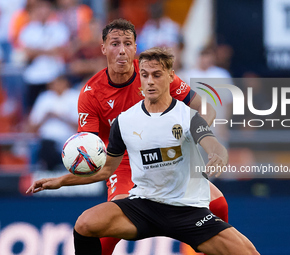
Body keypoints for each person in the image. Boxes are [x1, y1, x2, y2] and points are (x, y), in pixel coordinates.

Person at [26, 47, 259, 255]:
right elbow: (105, 170)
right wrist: (60, 181)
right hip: (145, 205)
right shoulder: (125, 122)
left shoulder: (187, 116)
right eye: (145, 75)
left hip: (186, 210)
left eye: (156, 75)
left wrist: (218, 152)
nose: (149, 81)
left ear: (170, 78)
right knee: (85, 224)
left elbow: (211, 142)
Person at [79, 18, 229, 254]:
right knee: (108, 228)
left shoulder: (153, 73)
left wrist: (195, 137)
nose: (121, 50)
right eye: (115, 43)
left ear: (135, 47)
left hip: (167, 154)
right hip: (124, 164)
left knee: (218, 203)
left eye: (127, 43)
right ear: (104, 48)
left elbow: (205, 108)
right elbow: (88, 146)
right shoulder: (91, 93)